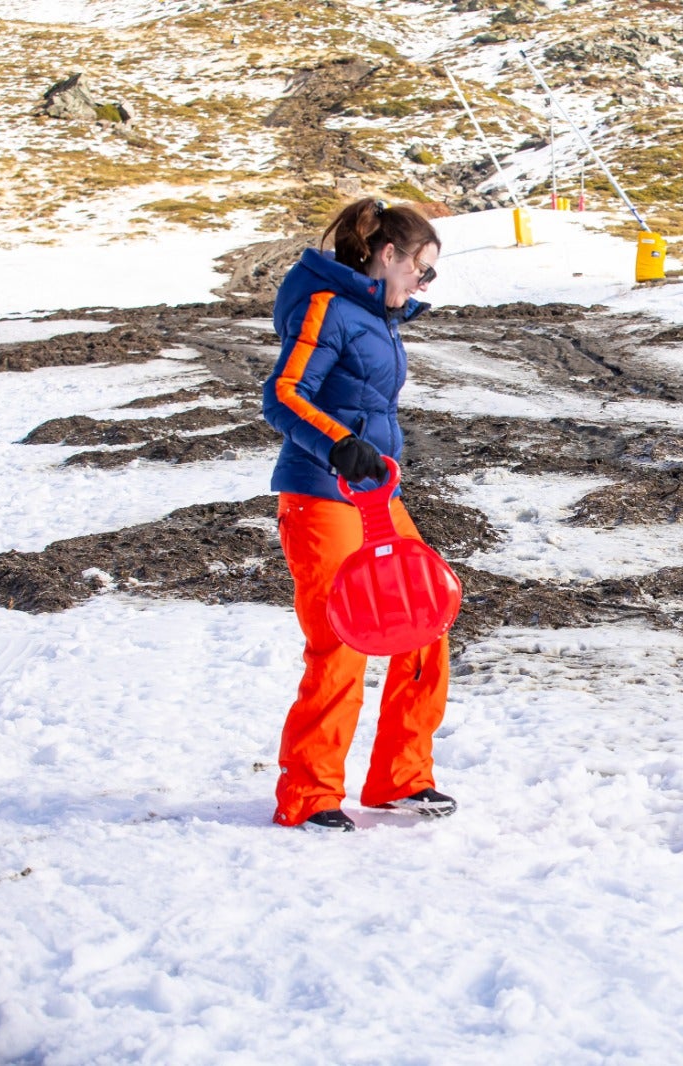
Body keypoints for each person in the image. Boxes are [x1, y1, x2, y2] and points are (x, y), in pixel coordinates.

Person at [262, 197, 453, 833]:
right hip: (319, 492)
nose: (423, 285)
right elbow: (284, 395)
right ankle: (311, 794)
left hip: (373, 494)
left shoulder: (377, 316)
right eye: (420, 269)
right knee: (340, 639)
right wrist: (341, 445)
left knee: (424, 621)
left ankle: (402, 778)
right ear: (387, 255)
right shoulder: (328, 307)